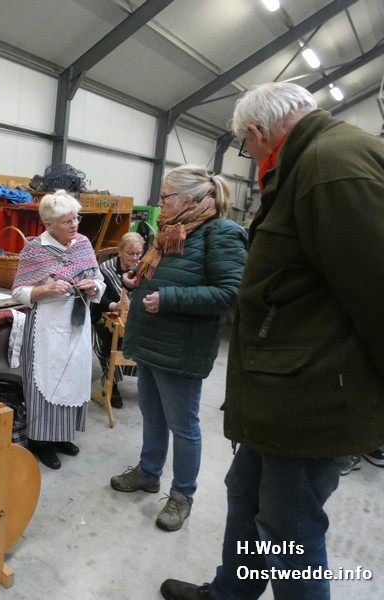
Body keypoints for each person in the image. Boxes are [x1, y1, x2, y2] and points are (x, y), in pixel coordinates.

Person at [160, 82, 384, 599]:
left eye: (246, 145)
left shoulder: (331, 166)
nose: (250, 153)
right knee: (244, 494)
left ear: (257, 132)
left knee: (290, 529)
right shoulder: (311, 163)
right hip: (281, 389)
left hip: (312, 395)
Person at [110, 165, 247, 532]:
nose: (160, 203)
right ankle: (149, 472)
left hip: (181, 348)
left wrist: (169, 298)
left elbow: (231, 293)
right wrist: (138, 279)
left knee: (183, 426)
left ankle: (182, 494)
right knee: (153, 415)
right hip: (152, 341)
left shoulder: (220, 233)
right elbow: (170, 274)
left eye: (165, 196)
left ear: (189, 199)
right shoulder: (172, 232)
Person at [12, 190, 105, 470]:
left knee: (72, 379)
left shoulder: (83, 244)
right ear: (49, 225)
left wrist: (94, 286)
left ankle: (62, 435)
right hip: (46, 327)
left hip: (77, 325)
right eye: (67, 221)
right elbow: (18, 292)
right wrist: (47, 289)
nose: (75, 225)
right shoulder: (35, 249)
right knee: (47, 382)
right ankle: (40, 441)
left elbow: (99, 279)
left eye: (76, 218)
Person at [90, 231, 145, 408]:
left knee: (144, 341)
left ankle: (146, 382)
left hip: (131, 318)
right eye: (130, 253)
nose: (134, 258)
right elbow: (97, 298)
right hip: (104, 316)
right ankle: (111, 384)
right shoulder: (105, 269)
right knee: (109, 344)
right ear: (120, 250)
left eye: (138, 254)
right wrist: (114, 305)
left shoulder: (142, 269)